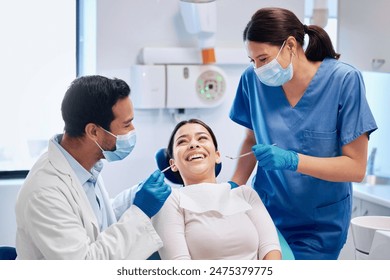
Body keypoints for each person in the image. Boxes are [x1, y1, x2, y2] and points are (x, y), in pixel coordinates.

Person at [228, 7, 378, 260]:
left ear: (289, 45)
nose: (257, 68)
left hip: (319, 227)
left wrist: (292, 160)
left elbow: (356, 168)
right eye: (252, 61)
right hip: (265, 216)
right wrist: (234, 187)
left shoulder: (344, 81)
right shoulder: (252, 81)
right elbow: (251, 139)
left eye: (263, 59)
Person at [15, 75, 171, 259]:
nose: (132, 131)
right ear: (94, 131)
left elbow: (95, 220)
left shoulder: (82, 164)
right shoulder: (44, 192)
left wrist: (136, 196)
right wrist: (141, 211)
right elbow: (85, 265)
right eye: (126, 124)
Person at [152, 119, 281, 260]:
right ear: (173, 164)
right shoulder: (171, 201)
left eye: (202, 138)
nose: (194, 144)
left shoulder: (245, 194)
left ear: (217, 156)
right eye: (182, 141)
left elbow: (271, 249)